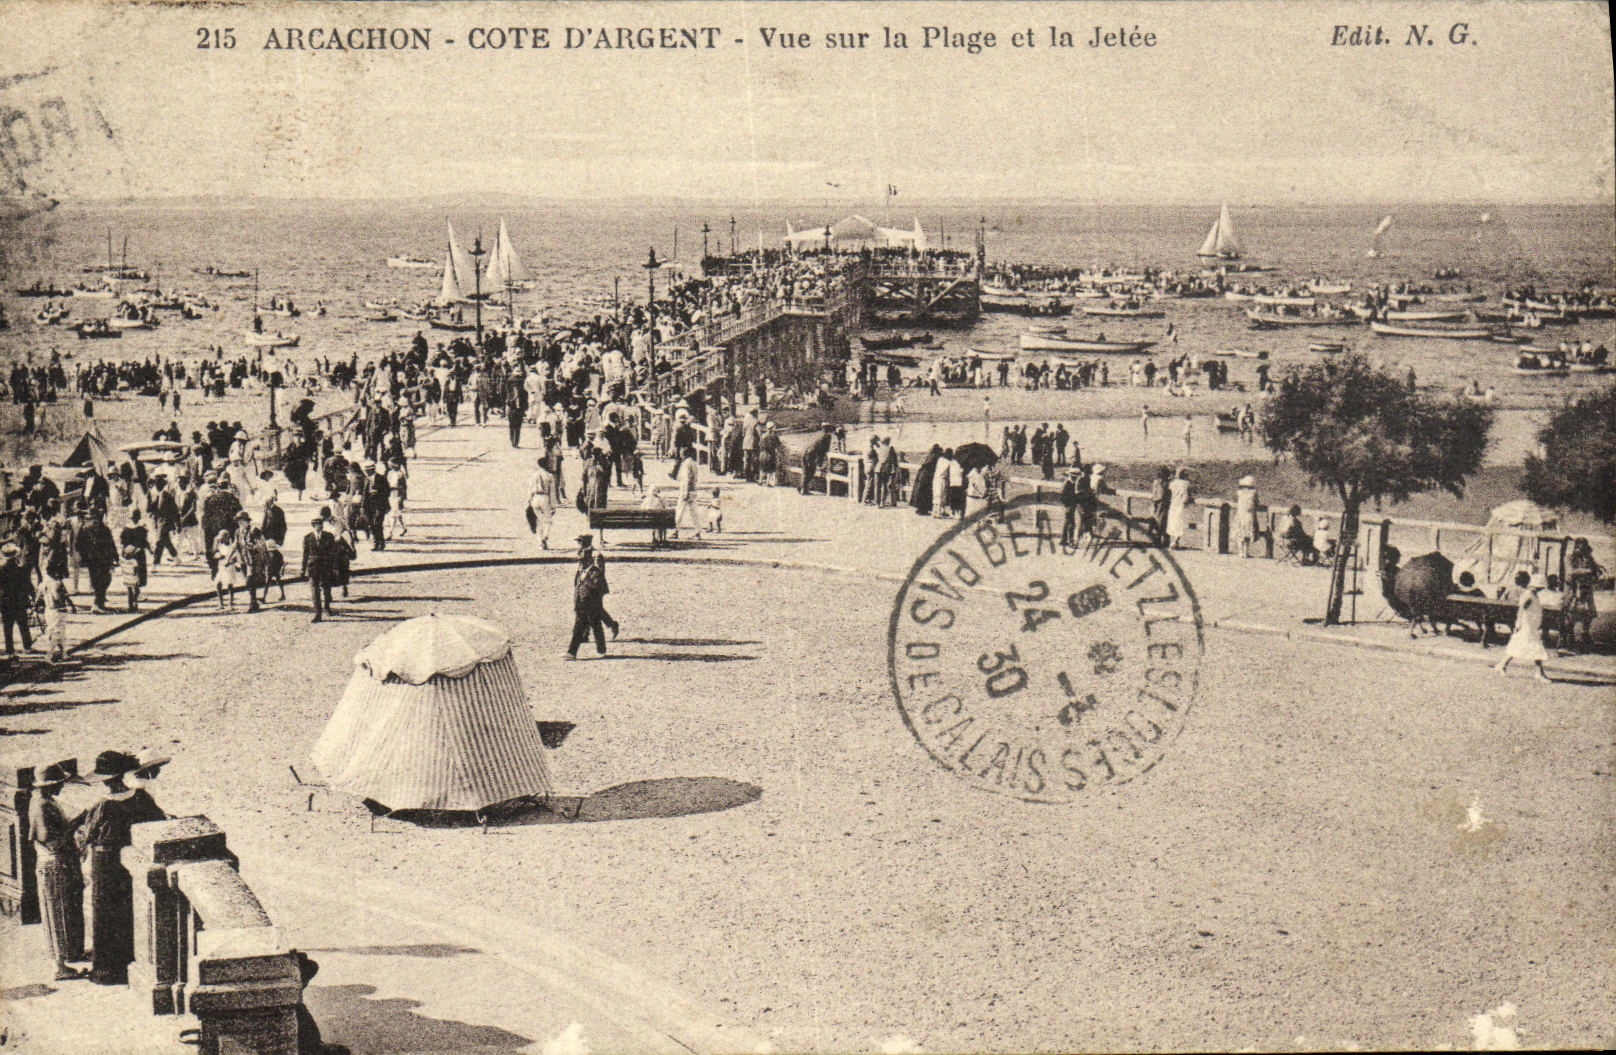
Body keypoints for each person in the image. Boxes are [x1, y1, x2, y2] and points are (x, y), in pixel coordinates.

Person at [77, 750, 167, 984]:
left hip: (104, 862)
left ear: (106, 780)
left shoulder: (102, 805)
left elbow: (89, 835)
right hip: (128, 860)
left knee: (104, 912)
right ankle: (127, 961)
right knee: (125, 909)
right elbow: (157, 822)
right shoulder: (140, 798)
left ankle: (107, 969)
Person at [29, 762, 86, 980]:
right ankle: (59, 966)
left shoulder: (43, 802)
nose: (61, 787)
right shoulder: (42, 806)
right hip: (54, 865)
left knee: (60, 912)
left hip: (56, 864)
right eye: (58, 783)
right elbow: (54, 842)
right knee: (56, 914)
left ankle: (64, 958)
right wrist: (77, 822)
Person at [1494, 571, 1552, 682]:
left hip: (1531, 625)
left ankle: (1501, 665)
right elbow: (1521, 609)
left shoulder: (1533, 594)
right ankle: (1539, 673)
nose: (1541, 589)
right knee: (1536, 647)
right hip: (1527, 626)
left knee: (1517, 646)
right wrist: (1518, 623)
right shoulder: (1528, 595)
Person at [566, 535, 610, 659]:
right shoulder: (583, 570)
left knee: (592, 626)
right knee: (590, 626)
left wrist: (588, 587)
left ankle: (573, 652)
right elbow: (577, 583)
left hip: (591, 603)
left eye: (582, 561)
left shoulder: (594, 566)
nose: (580, 562)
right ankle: (599, 650)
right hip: (582, 603)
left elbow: (598, 583)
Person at [1564, 538, 1604, 652]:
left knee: (1588, 612)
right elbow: (1569, 573)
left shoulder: (1588, 558)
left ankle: (1584, 634)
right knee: (1572, 612)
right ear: (1576, 547)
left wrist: (1598, 570)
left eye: (1584, 547)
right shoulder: (1569, 558)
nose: (1581, 550)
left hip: (1586, 589)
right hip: (1573, 588)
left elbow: (1594, 568)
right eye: (1579, 547)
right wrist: (1586, 571)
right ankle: (1569, 637)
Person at [76, 509, 119, 613]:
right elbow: (111, 544)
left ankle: (98, 603)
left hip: (92, 559)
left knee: (95, 580)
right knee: (104, 580)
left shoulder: (84, 527)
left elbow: (78, 545)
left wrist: (84, 557)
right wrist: (116, 557)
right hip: (104, 559)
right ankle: (98, 604)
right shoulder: (104, 528)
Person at [1, 542, 37, 659]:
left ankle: (10, 650)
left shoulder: (1, 570)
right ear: (16, 556)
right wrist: (33, 597)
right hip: (19, 601)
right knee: (23, 624)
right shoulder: (20, 570)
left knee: (7, 627)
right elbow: (27, 585)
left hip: (5, 602)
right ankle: (27, 647)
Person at [301, 516, 337, 622]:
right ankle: (318, 613)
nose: (319, 527)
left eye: (320, 525)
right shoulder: (307, 538)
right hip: (313, 567)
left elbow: (333, 553)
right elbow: (305, 554)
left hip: (326, 567)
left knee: (326, 589)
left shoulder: (329, 536)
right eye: (316, 525)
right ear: (313, 526)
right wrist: (303, 569)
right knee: (315, 591)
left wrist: (334, 567)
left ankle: (327, 607)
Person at [1234, 475, 1262, 558]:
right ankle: (1246, 553)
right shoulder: (1253, 492)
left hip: (1240, 514)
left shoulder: (1239, 492)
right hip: (1249, 515)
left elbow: (1236, 501)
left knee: (1239, 534)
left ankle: (1240, 552)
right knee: (1247, 534)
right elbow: (1256, 502)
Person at [1166, 467, 1193, 549]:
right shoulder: (1186, 483)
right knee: (1180, 523)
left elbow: (1169, 493)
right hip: (1181, 504)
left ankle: (1172, 542)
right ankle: (1176, 542)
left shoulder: (1172, 483)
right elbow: (1189, 494)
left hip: (1173, 504)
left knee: (1172, 522)